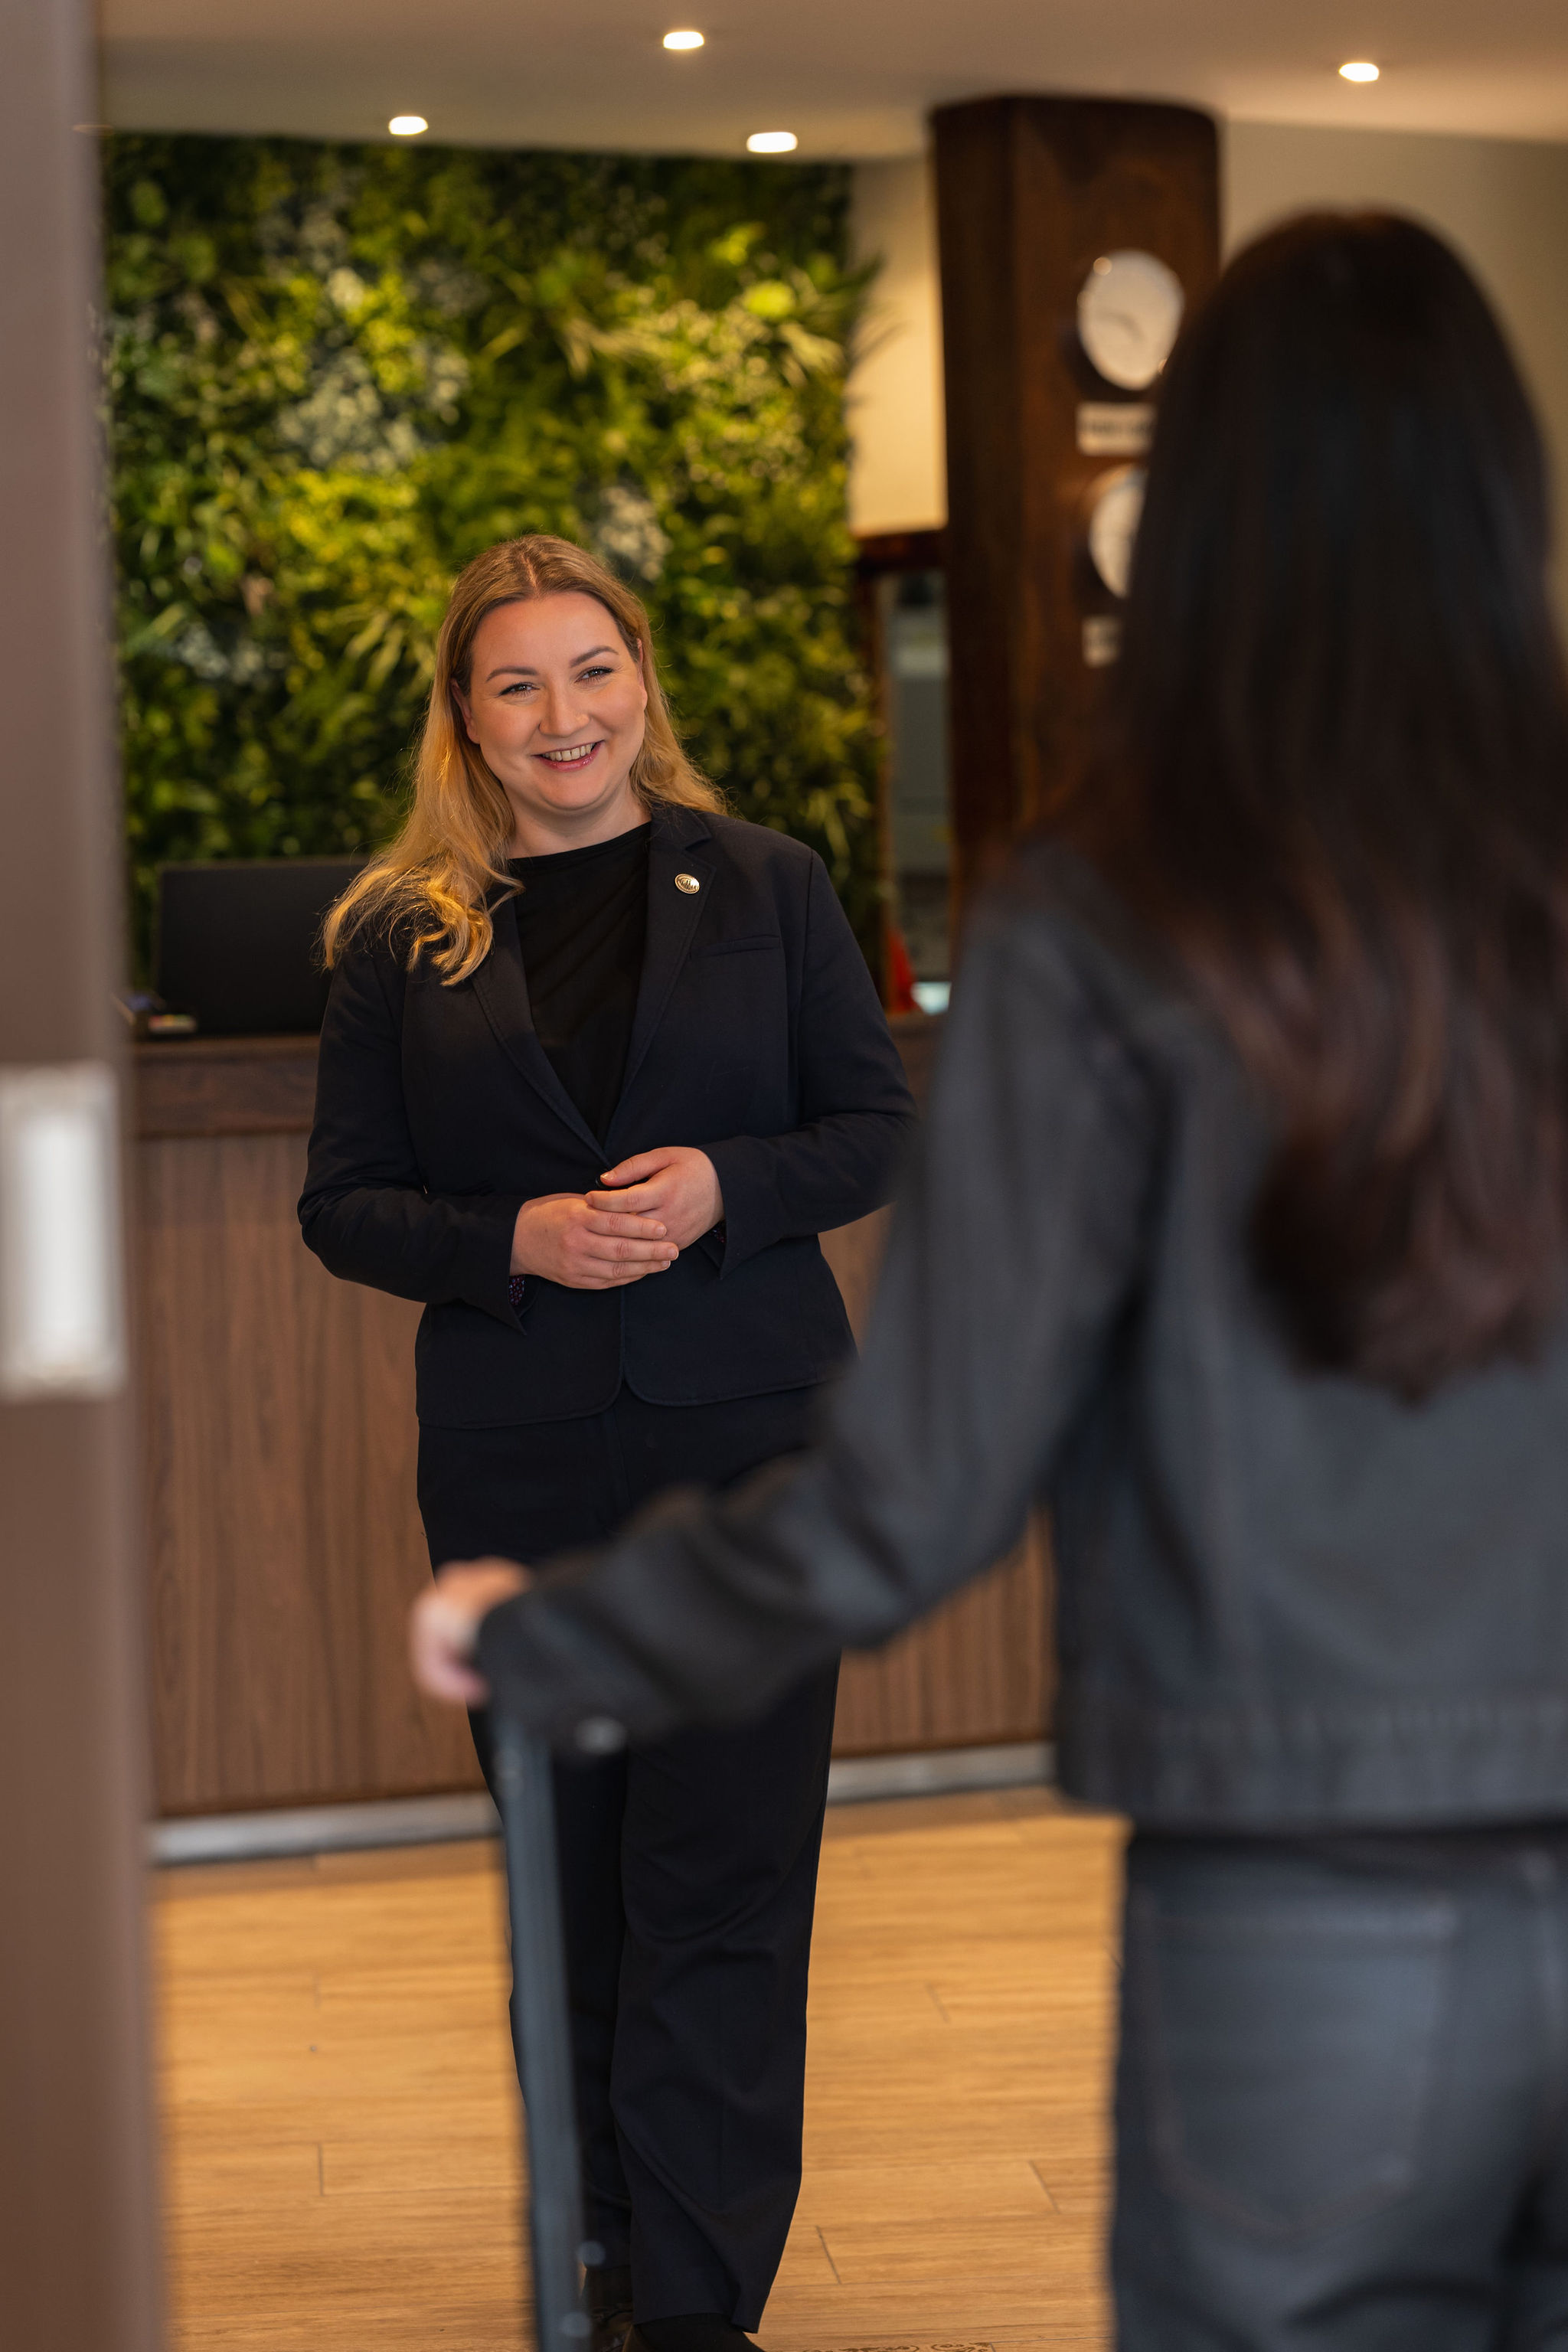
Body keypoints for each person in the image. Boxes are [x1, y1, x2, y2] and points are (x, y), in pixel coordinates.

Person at [411, 217, 1568, 2350]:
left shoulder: (1119, 913)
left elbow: (913, 1495)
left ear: (1197, 513)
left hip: (1302, 1865)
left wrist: (569, 1629)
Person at [299, 533, 914, 2352]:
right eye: (516, 684)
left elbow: (871, 1129)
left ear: (640, 683)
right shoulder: (400, 937)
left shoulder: (775, 886)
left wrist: (730, 1180)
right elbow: (343, 1207)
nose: (562, 714)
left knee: (720, 1881)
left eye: (590, 670)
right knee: (566, 1887)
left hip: (751, 1457)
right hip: (521, 1469)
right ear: (467, 723)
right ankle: (597, 2282)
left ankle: (698, 2312)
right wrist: (515, 1241)